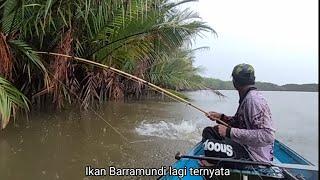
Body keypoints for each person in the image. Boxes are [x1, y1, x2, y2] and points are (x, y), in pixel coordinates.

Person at [202, 63, 275, 164]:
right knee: (209, 131)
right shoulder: (247, 97)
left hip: (253, 156)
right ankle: (218, 159)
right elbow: (239, 122)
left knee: (210, 145)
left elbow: (267, 136)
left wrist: (229, 132)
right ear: (253, 79)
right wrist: (221, 117)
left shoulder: (253, 100)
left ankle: (215, 163)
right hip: (244, 145)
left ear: (234, 82)